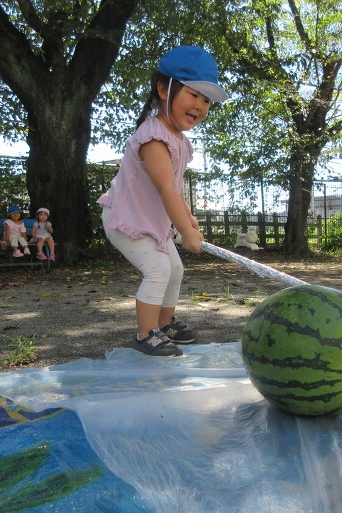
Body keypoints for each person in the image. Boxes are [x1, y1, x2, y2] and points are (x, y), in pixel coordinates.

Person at [97, 45, 227, 356]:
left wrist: (189, 220)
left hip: (150, 220)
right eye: (193, 94)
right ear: (164, 90)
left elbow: (174, 190)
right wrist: (184, 231)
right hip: (125, 219)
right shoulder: (153, 137)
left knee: (175, 269)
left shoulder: (179, 140)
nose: (200, 105)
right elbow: (166, 189)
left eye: (206, 100)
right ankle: (145, 335)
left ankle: (165, 323)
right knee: (158, 270)